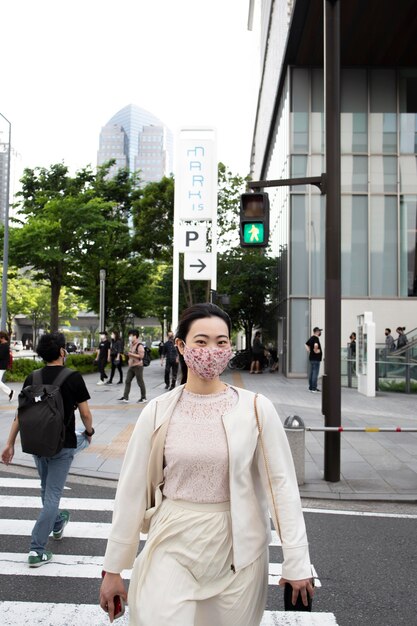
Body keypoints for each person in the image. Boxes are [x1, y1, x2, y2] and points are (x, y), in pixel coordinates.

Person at [100, 303, 313, 625]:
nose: (211, 350)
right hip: (173, 536)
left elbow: (281, 486)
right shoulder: (158, 410)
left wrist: (297, 561)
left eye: (221, 341)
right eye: (201, 341)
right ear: (181, 346)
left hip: (238, 549)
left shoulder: (256, 409)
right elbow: (130, 490)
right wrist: (113, 568)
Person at [1, 332, 94, 567]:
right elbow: (84, 414)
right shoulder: (73, 377)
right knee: (52, 495)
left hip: (36, 443)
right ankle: (37, 549)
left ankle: (56, 522)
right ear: (62, 351)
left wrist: (10, 443)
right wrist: (90, 432)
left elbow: (20, 414)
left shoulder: (32, 377)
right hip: (62, 445)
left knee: (46, 489)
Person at [118, 329, 147, 404]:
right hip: (131, 366)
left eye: (131, 335)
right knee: (127, 381)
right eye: (129, 335)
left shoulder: (139, 345)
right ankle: (125, 397)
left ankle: (143, 398)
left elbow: (141, 356)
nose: (130, 337)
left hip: (138, 366)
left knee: (140, 382)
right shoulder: (131, 344)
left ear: (135, 336)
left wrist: (131, 354)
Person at [305, 327, 322, 393]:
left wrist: (309, 350)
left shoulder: (311, 338)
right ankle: (314, 388)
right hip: (316, 359)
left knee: (312, 373)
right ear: (317, 332)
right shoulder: (316, 338)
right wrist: (315, 350)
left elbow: (306, 344)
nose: (320, 332)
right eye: (320, 331)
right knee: (315, 373)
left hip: (311, 358)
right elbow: (316, 345)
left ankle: (311, 387)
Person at [0, 331, 14, 401]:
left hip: (1, 366)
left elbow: (1, 356)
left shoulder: (4, 346)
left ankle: (10, 392)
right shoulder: (3, 345)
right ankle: (10, 392)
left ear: (2, 338)